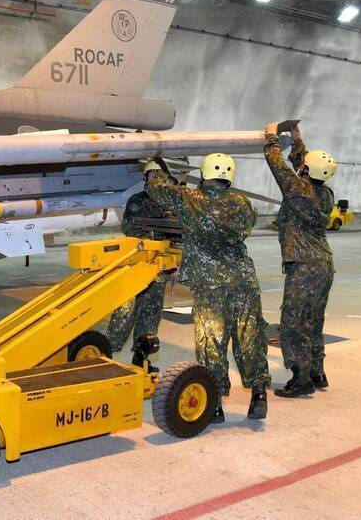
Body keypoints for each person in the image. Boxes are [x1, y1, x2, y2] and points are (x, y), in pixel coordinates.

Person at [146, 154, 270, 421]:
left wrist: (154, 171)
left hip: (210, 284)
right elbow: (248, 224)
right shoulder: (242, 203)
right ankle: (259, 393)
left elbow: (155, 190)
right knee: (249, 337)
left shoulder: (189, 198)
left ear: (203, 173)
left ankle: (215, 405)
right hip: (244, 282)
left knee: (211, 341)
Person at [264, 122, 336, 397]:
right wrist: (298, 141)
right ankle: (317, 372)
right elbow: (304, 170)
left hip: (304, 266)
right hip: (323, 265)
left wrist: (272, 137)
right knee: (313, 320)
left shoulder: (298, 190)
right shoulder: (324, 194)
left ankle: (300, 378)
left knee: (293, 324)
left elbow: (278, 166)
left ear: (306, 170)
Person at [104, 160, 177, 371]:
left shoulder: (170, 202)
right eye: (152, 176)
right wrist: (151, 236)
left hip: (159, 267)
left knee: (151, 315)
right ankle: (108, 356)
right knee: (124, 313)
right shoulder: (138, 200)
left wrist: (173, 265)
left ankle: (141, 358)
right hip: (137, 265)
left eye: (159, 176)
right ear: (145, 179)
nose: (157, 179)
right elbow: (129, 227)